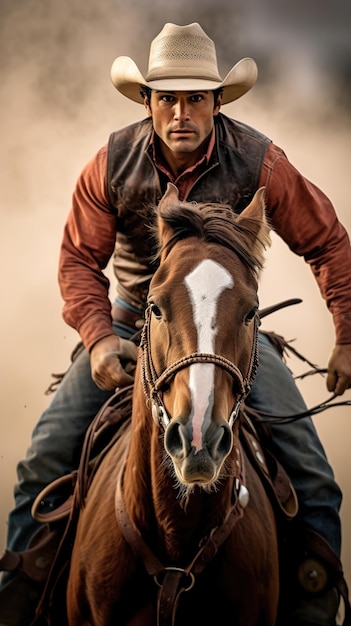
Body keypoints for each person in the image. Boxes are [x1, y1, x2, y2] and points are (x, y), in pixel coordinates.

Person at [1, 22, 351, 626]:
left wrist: (347, 333)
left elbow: (328, 243)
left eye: (195, 98)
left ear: (218, 102)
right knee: (42, 462)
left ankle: (314, 609)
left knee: (315, 481)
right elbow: (78, 260)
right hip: (133, 325)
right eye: (168, 98)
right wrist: (100, 339)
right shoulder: (110, 163)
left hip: (228, 335)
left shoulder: (261, 162)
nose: (181, 112)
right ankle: (17, 604)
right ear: (147, 102)